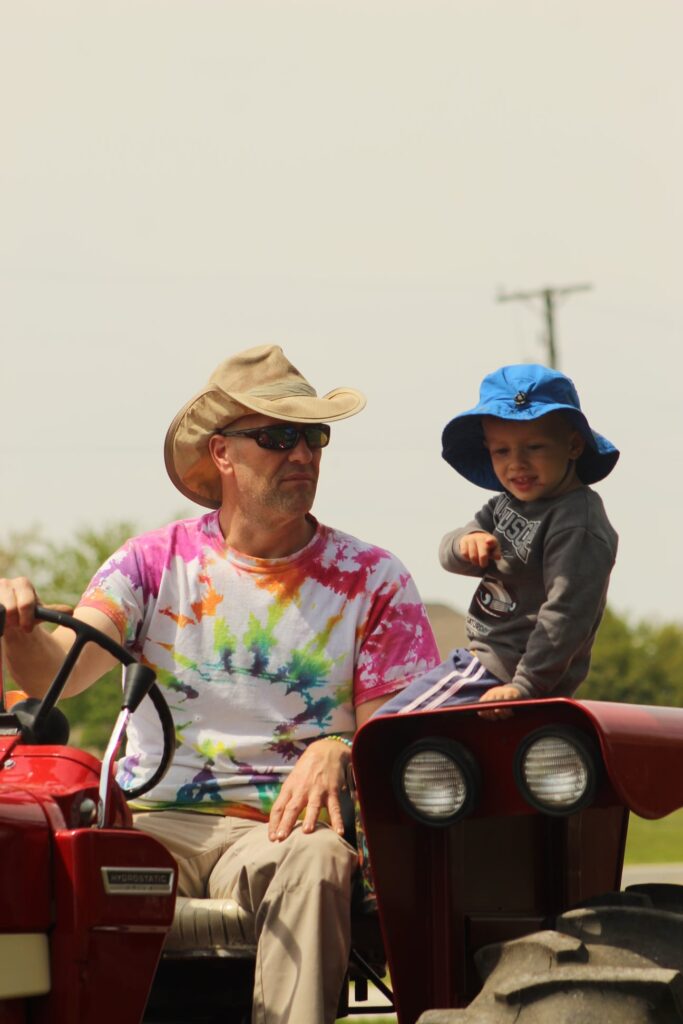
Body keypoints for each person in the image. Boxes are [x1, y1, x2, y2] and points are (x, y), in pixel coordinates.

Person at [0, 344, 440, 1024]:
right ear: (222, 454)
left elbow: (396, 733)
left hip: (278, 830)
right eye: (276, 436)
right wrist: (18, 629)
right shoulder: (153, 561)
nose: (301, 454)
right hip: (149, 824)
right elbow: (56, 672)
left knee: (322, 858)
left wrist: (339, 748)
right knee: (29, 849)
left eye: (313, 437)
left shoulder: (373, 579)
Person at [378, 362, 619, 719]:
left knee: (385, 730)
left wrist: (524, 686)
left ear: (572, 445)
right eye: (501, 451)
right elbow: (448, 552)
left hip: (501, 670)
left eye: (534, 447)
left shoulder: (576, 521)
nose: (517, 464)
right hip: (492, 667)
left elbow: (566, 615)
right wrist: (467, 541)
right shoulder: (507, 504)